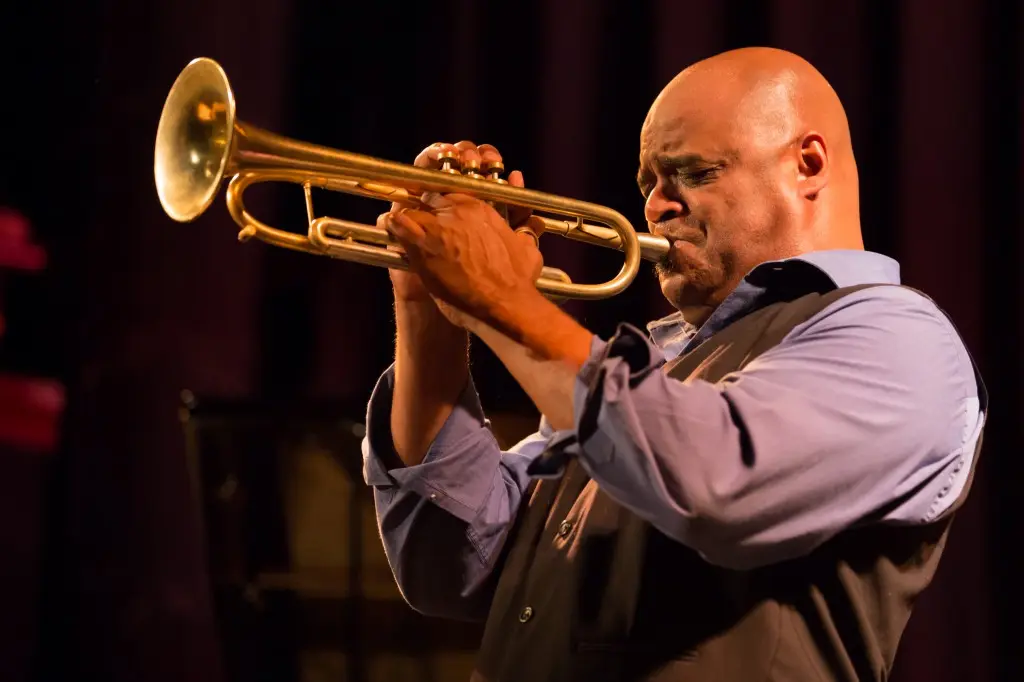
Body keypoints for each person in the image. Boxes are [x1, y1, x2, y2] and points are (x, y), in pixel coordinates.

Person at [360, 46, 986, 682]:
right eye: (648, 185)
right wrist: (430, 312)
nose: (656, 206)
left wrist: (499, 297)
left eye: (693, 173)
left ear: (808, 163)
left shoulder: (897, 337)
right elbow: (455, 566)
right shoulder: (656, 360)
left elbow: (711, 482)